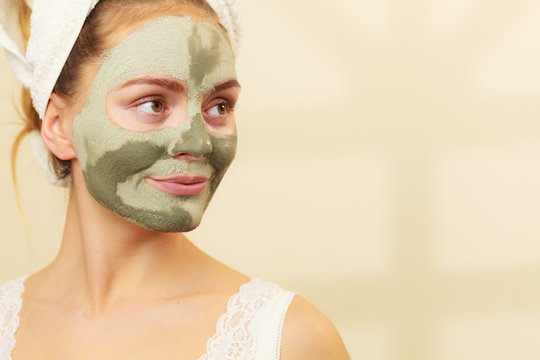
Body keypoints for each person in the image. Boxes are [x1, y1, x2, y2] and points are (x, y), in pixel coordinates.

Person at [0, 0, 351, 358]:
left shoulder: (289, 341)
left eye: (219, 106)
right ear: (59, 127)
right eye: (153, 104)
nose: (199, 143)